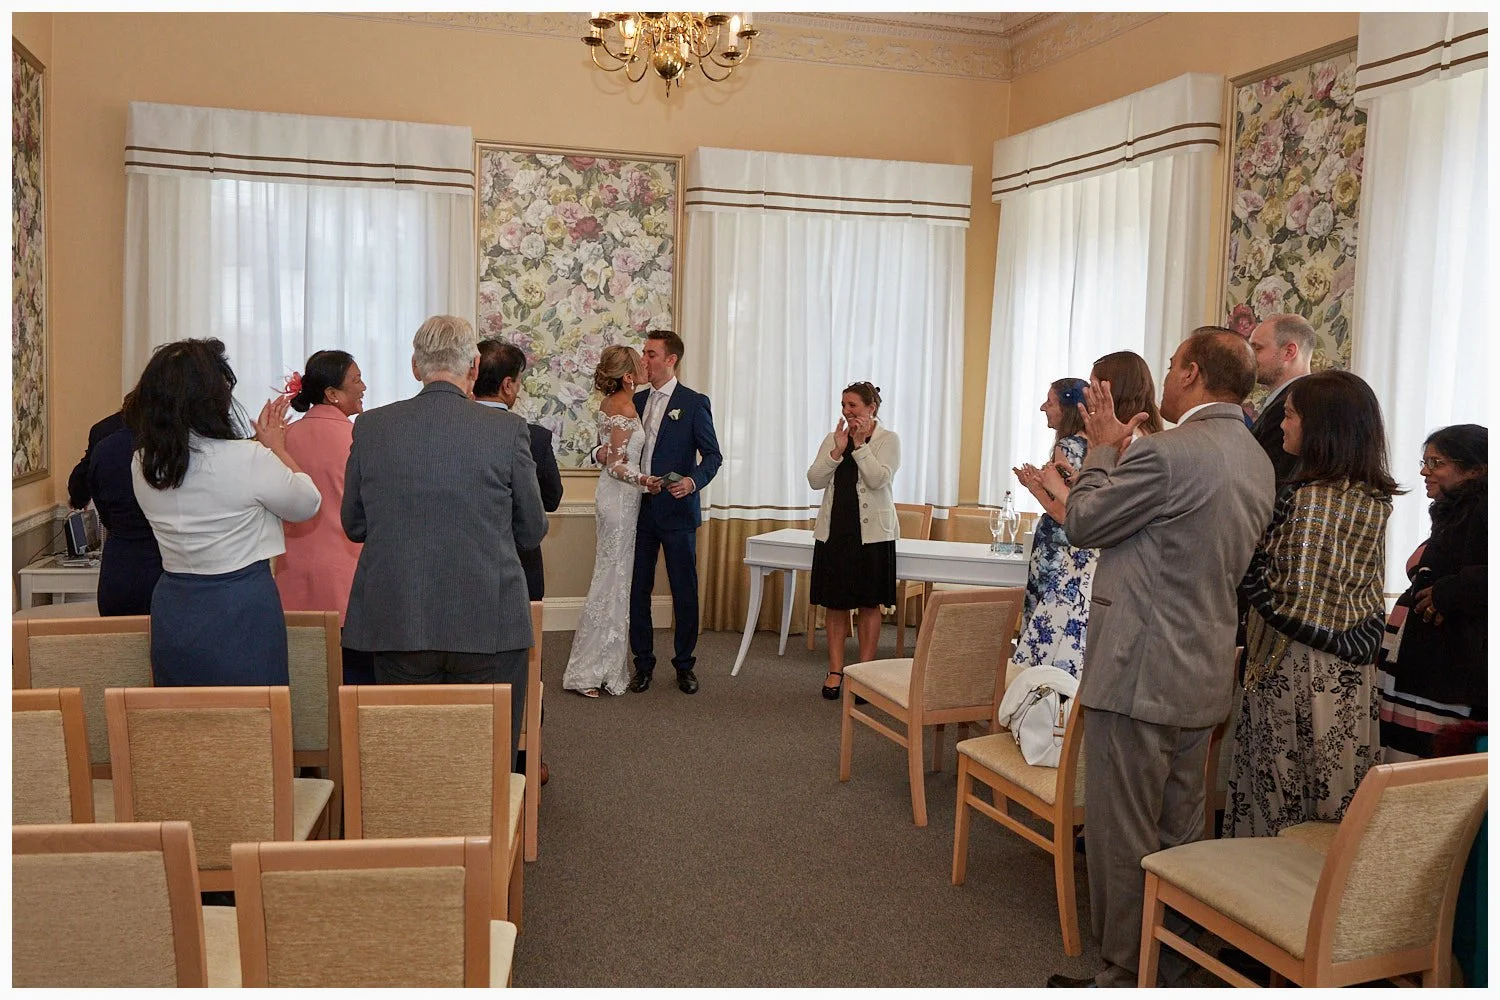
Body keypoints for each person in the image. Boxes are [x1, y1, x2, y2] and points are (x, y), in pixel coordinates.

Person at [1045, 330, 1274, 989]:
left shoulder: (1170, 455)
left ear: (1194, 374)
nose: (1167, 376)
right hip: (1202, 667)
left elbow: (1085, 522)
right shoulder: (1255, 460)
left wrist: (1101, 450)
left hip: (1139, 668)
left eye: (1174, 365)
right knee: (1179, 831)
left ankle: (1124, 968)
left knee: (1121, 831)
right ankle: (1168, 961)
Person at [341, 315, 546, 763]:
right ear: (473, 367)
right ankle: (483, 832)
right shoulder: (508, 430)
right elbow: (532, 530)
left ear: (416, 366)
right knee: (484, 755)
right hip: (487, 619)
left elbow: (354, 525)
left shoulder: (371, 426)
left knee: (407, 755)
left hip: (399, 618)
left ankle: (415, 831)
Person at [1224, 370, 1397, 839]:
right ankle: (1319, 898)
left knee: (1284, 785)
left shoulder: (1312, 499)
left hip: (1297, 666)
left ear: (1323, 426)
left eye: (1292, 415)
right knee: (1335, 783)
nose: (1283, 424)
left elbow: (1291, 594)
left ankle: (1266, 898)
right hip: (1347, 669)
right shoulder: (1369, 497)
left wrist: (1242, 555)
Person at [126, 339, 322, 686]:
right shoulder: (247, 459)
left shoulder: (143, 462)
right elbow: (307, 502)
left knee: (184, 716)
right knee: (254, 717)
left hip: (174, 601)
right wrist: (275, 447)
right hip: (240, 602)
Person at [1378, 424, 1487, 761]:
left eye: (1437, 463)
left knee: (1426, 781)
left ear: (1476, 468)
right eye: (1425, 462)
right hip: (1429, 675)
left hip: (1448, 679)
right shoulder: (1457, 512)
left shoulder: (1484, 510)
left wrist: (1449, 592)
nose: (1425, 471)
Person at [627, 330, 722, 696]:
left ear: (671, 359)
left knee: (685, 591)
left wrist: (692, 482)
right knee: (639, 590)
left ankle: (684, 664)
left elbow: (713, 457)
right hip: (640, 509)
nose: (644, 359)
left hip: (679, 512)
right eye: (644, 353)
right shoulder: (633, 402)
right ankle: (643, 663)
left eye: (651, 354)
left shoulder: (694, 402)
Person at [562, 346, 660, 697]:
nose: (646, 365)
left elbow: (605, 454)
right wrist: (647, 481)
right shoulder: (623, 406)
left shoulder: (615, 404)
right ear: (628, 376)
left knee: (616, 580)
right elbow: (617, 466)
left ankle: (603, 666)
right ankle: (587, 671)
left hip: (620, 500)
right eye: (639, 362)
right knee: (610, 581)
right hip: (619, 500)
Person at [274, 350, 373, 684]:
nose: (363, 387)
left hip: (293, 574)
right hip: (348, 572)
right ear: (332, 394)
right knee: (354, 680)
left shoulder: (283, 438)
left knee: (306, 682)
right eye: (356, 379)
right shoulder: (360, 438)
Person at [807, 382, 900, 700]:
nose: (846, 411)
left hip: (873, 535)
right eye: (844, 405)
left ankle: (865, 674)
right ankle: (835, 669)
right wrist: (837, 450)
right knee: (835, 604)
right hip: (836, 531)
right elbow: (814, 480)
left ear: (871, 408)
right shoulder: (835, 438)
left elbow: (878, 480)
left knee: (868, 603)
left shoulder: (889, 440)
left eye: (853, 406)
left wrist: (860, 447)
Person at [1011, 377, 1094, 676]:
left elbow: (1065, 512)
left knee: (1044, 623)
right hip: (1080, 547)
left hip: (1058, 547)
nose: (1044, 407)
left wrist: (1035, 488)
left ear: (1066, 408)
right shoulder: (1093, 445)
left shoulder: (1067, 446)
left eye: (1050, 402)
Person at [474, 339, 564, 601]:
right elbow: (551, 499)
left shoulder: (448, 431)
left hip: (461, 561)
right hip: (518, 559)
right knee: (526, 637)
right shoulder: (534, 437)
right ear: (507, 385)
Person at [87, 402, 163, 616]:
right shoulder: (167, 450)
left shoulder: (104, 449)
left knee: (118, 640)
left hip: (118, 564)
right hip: (160, 561)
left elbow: (102, 506)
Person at [1247, 313, 1315, 483]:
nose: (1250, 357)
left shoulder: (1298, 406)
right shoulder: (1294, 399)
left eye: (1257, 348)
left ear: (1289, 351)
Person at [67, 408, 126, 511]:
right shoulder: (155, 428)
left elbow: (86, 469)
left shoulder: (103, 429)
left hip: (115, 513)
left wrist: (79, 499)